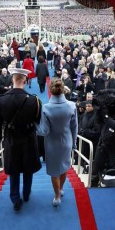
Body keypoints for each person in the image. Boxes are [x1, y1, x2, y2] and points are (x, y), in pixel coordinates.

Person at [0, 67, 42, 211]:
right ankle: (26, 194)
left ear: (12, 80)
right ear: (25, 81)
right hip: (28, 138)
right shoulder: (34, 100)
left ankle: (15, 198)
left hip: (11, 139)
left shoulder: (1, 100)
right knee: (28, 169)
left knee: (14, 169)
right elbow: (37, 120)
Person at [36, 78, 78, 207]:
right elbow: (74, 126)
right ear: (63, 89)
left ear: (50, 91)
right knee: (64, 167)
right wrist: (74, 143)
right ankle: (60, 189)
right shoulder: (72, 105)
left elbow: (44, 131)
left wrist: (34, 125)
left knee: (54, 171)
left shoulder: (46, 108)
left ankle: (57, 196)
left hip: (52, 143)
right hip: (67, 141)